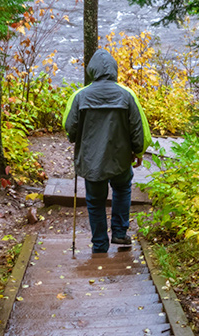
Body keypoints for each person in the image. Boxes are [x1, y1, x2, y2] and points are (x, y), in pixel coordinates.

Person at [62, 49, 152, 254]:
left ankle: (100, 243)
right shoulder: (126, 96)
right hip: (120, 158)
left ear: (92, 70)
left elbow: (71, 127)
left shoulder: (80, 97)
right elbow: (137, 128)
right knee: (122, 189)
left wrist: (74, 139)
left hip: (91, 159)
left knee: (95, 201)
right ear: (113, 70)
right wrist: (138, 151)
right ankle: (119, 233)